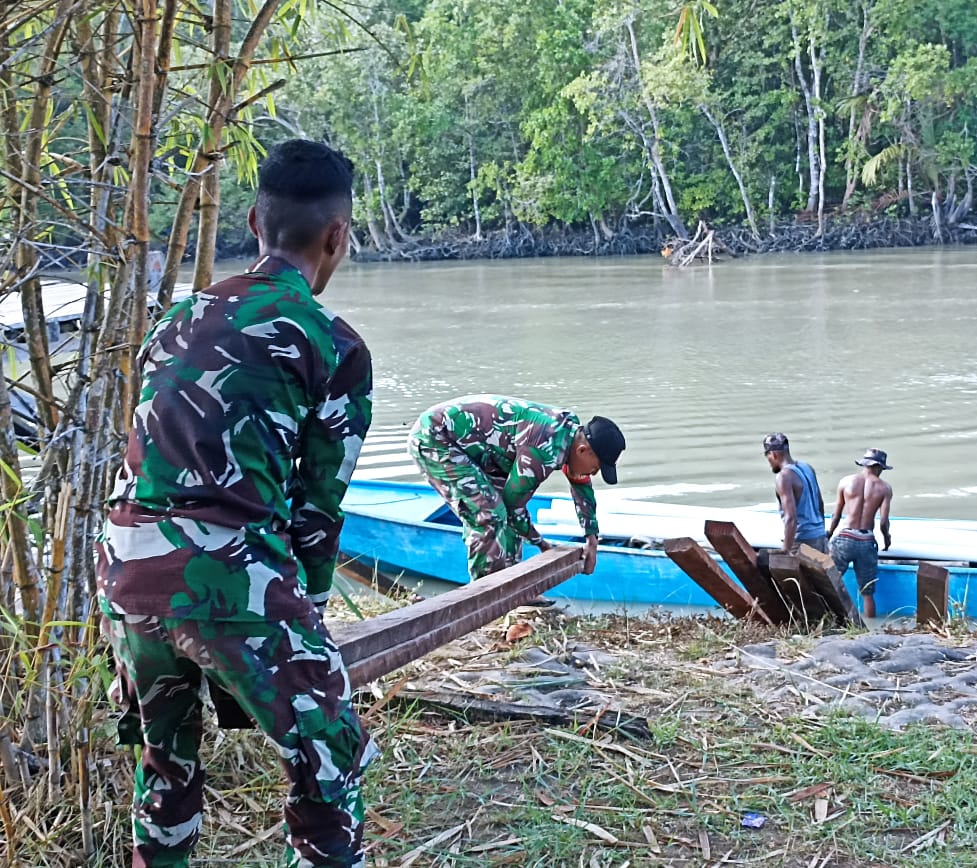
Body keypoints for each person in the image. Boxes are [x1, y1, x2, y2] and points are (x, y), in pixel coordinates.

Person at [96, 139, 377, 867]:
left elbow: (146, 453)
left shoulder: (176, 319)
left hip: (125, 568)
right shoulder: (331, 343)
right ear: (337, 236)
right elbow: (317, 511)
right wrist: (305, 615)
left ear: (254, 221)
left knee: (167, 767)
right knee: (332, 762)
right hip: (224, 575)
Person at [408, 395, 625, 580]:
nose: (593, 474)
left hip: (484, 450)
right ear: (582, 450)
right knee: (489, 514)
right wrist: (542, 544)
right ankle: (485, 595)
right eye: (596, 468)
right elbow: (513, 508)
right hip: (436, 438)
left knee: (507, 514)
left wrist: (591, 538)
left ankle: (511, 586)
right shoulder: (542, 450)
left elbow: (581, 487)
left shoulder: (570, 435)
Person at [827, 448, 894, 618]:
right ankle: (869, 629)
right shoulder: (884, 488)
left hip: (845, 537)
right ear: (879, 467)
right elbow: (884, 522)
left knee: (829, 582)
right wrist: (887, 540)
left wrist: (828, 534)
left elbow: (836, 515)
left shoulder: (845, 482)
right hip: (866, 540)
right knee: (867, 593)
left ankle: (827, 619)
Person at [763, 432, 827, 554]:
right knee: (818, 573)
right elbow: (820, 504)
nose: (769, 461)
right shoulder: (807, 467)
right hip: (819, 535)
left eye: (768, 457)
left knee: (793, 573)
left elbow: (791, 518)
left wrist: (786, 549)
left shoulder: (784, 477)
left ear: (774, 454)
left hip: (803, 540)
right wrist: (822, 534)